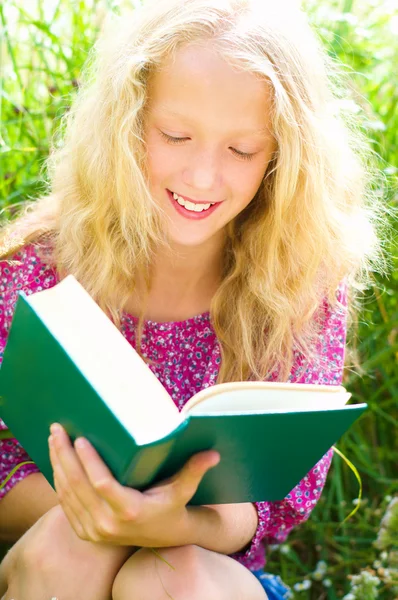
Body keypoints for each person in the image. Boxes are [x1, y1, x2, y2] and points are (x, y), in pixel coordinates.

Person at [0, 0, 384, 598]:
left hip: (213, 570)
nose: (203, 177)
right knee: (68, 552)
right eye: (176, 136)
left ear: (283, 158)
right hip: (52, 538)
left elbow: (274, 502)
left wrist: (172, 525)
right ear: (127, 124)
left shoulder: (297, 290)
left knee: (171, 577)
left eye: (242, 151)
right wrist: (107, 519)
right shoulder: (35, 270)